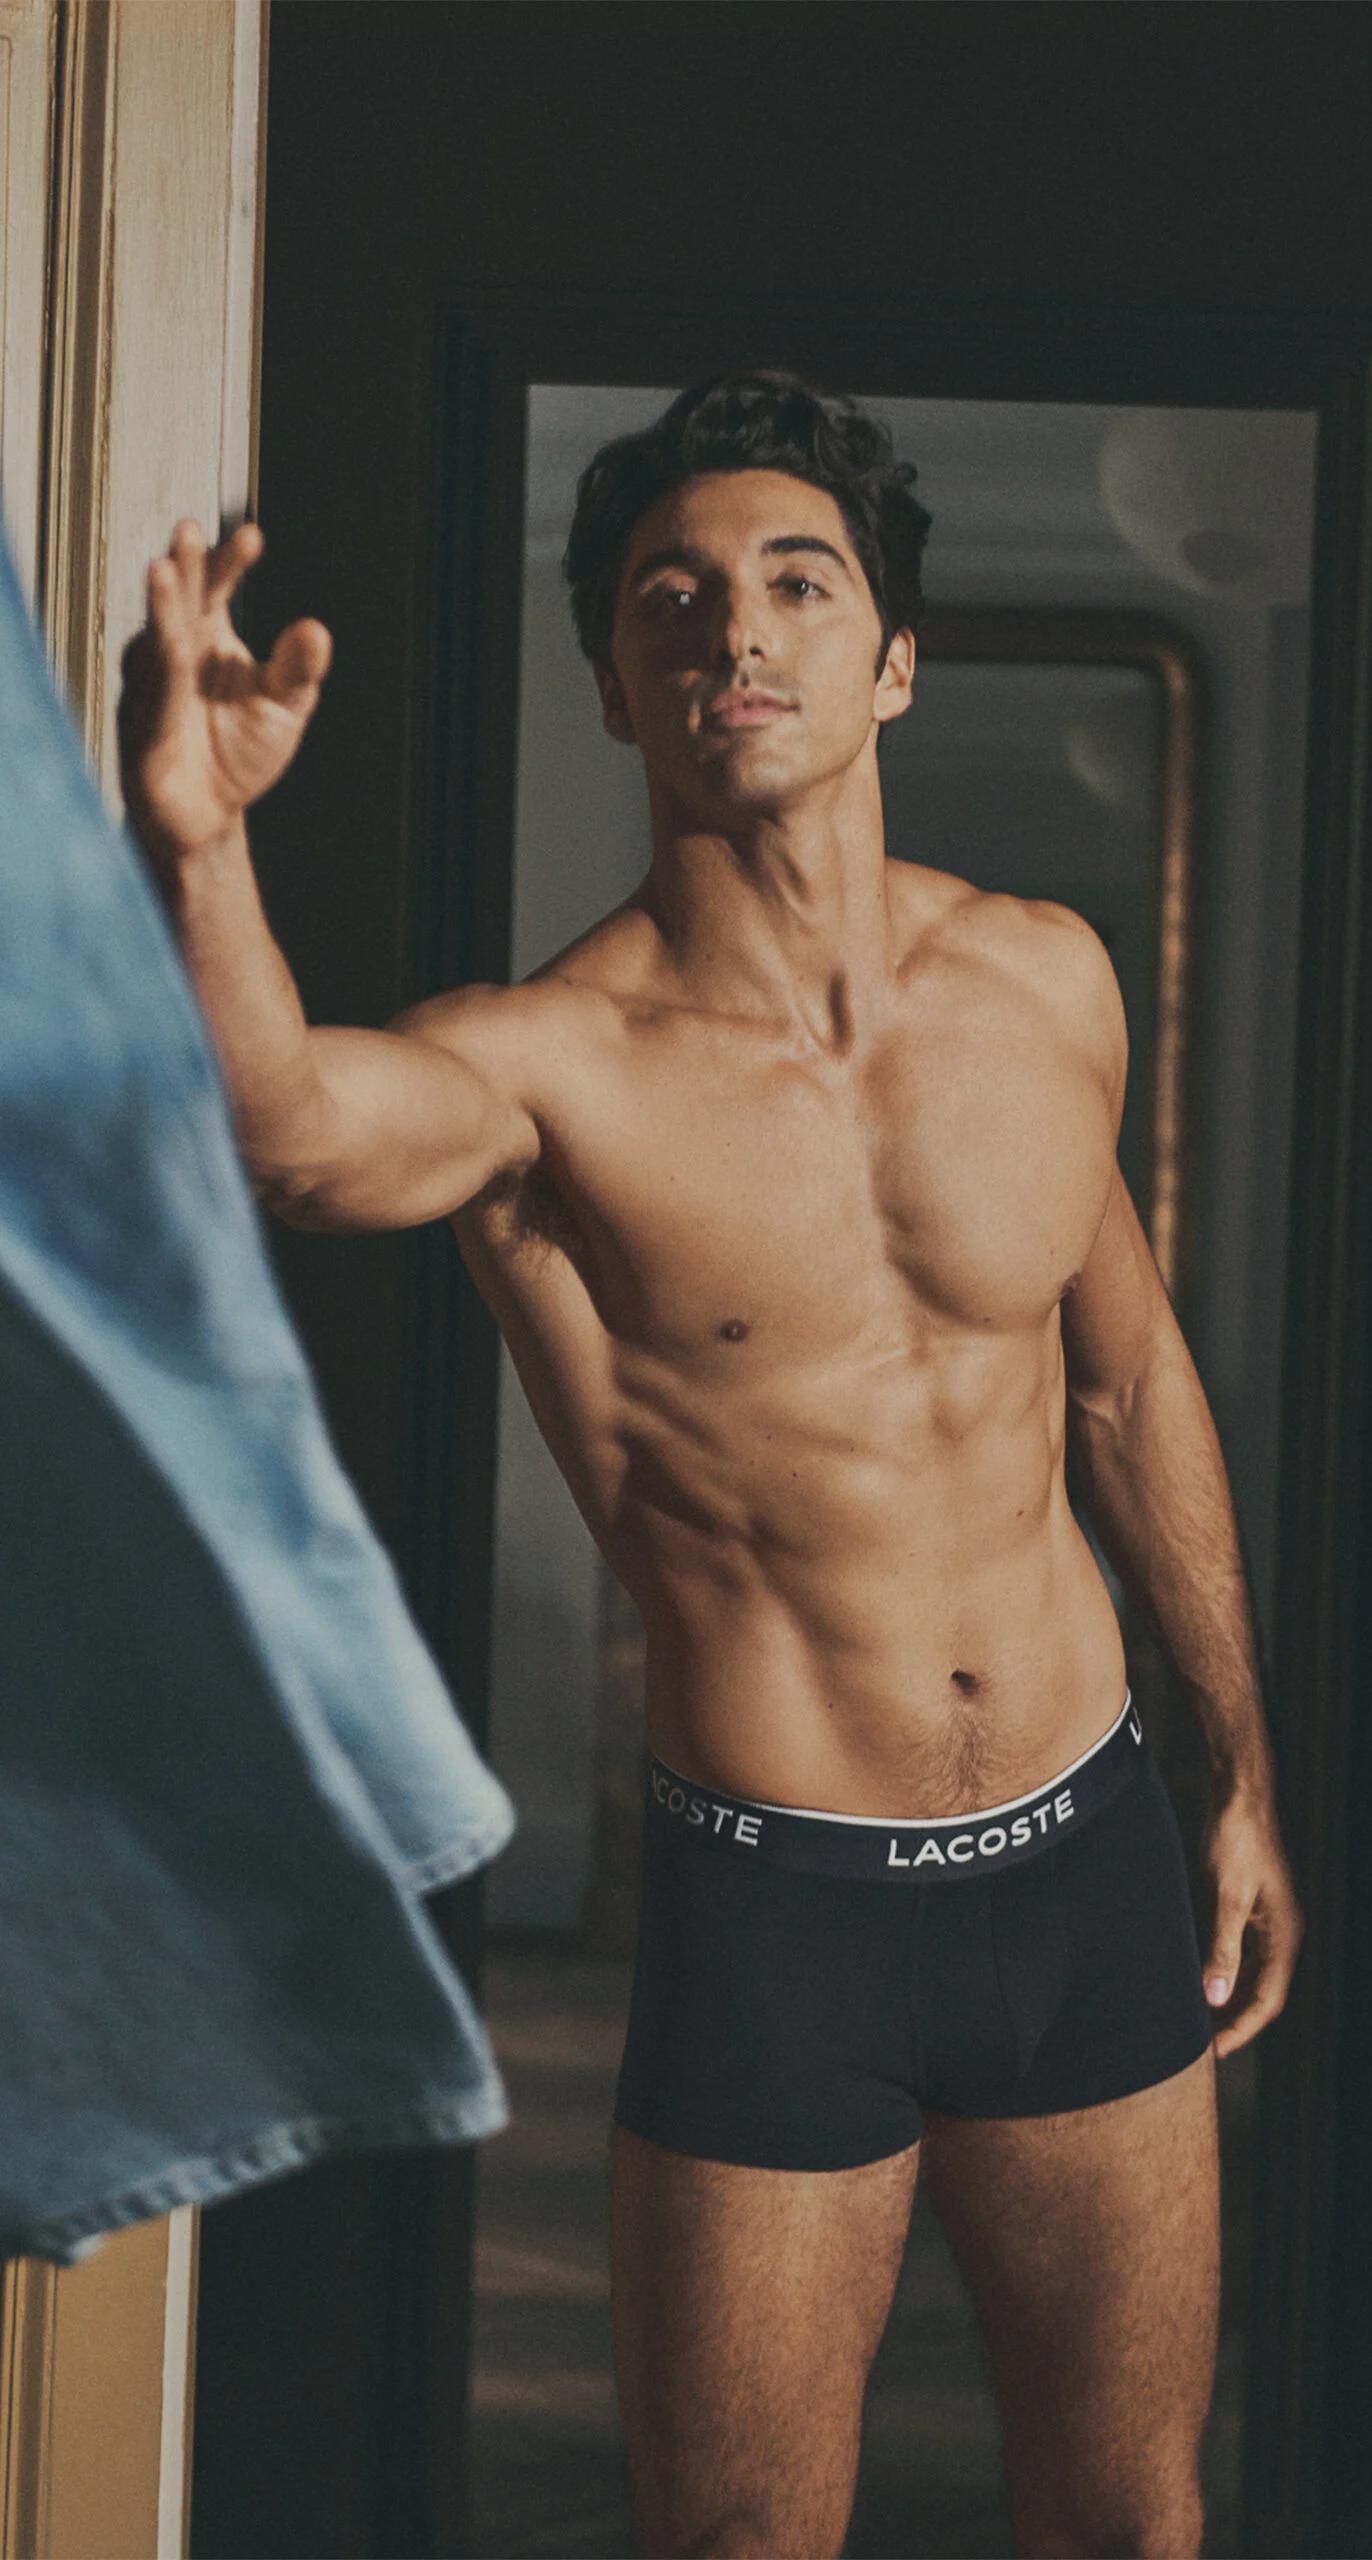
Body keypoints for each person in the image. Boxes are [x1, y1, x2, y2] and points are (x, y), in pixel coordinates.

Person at [119, 369, 1305, 2560]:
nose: (732, 627)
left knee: (1137, 2521)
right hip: (788, 1910)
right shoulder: (553, 1068)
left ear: (894, 658)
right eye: (669, 596)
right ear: (612, 685)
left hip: (1087, 1854)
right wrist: (199, 848)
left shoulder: (1045, 983)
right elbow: (286, 1137)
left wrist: (1236, 1763)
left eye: (794, 581)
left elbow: (1131, 1392)